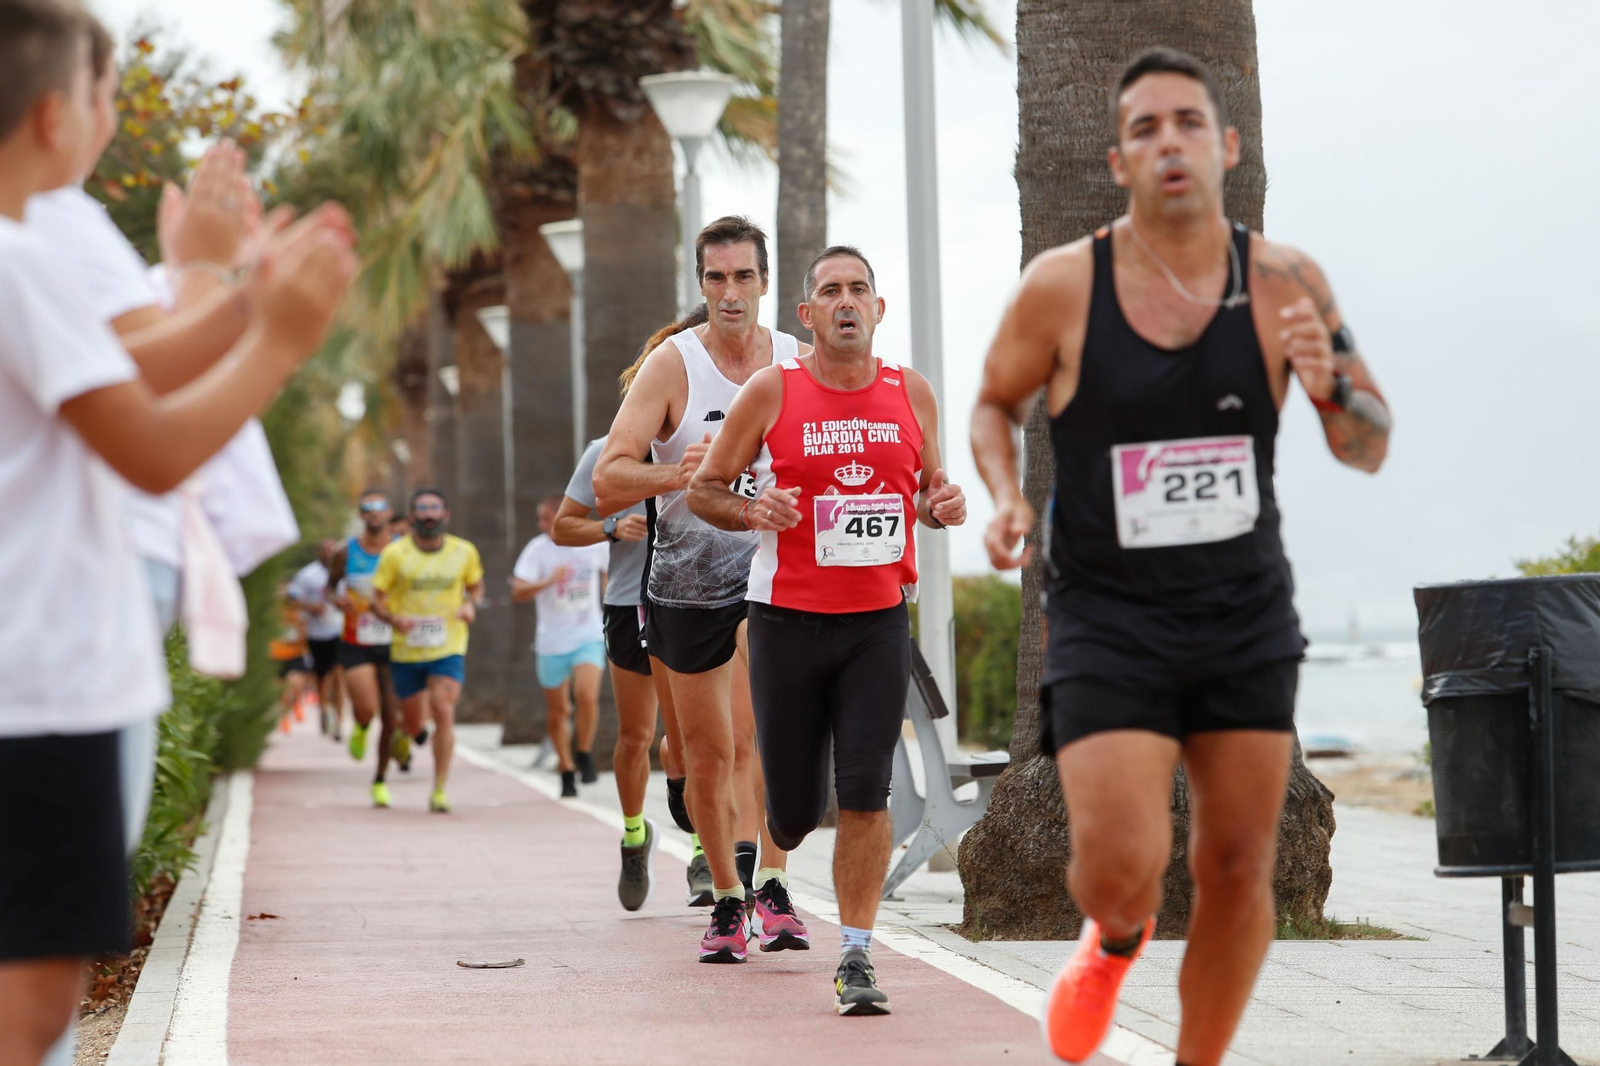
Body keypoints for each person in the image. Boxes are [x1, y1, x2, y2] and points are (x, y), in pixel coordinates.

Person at [969, 48, 1391, 1066]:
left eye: (1188, 123)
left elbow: (1368, 442)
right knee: (1121, 867)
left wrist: (1328, 382)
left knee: (1237, 864)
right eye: (1147, 128)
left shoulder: (1286, 278)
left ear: (1227, 146)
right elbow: (992, 402)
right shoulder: (1063, 287)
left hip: (1242, 608)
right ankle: (1111, 940)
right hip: (1107, 616)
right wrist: (1006, 495)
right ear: (1118, 160)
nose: (1169, 142)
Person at [0, 3, 355, 1060]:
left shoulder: (19, 256)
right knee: (33, 1003)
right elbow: (148, 443)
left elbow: (125, 369)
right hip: (38, 683)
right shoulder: (19, 260)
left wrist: (245, 296)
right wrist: (280, 339)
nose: (113, 117)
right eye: (108, 96)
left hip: (40, 676)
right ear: (60, 116)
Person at [689, 245, 966, 1013]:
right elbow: (708, 489)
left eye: (860, 290)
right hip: (784, 623)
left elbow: (928, 489)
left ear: (879, 310)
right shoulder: (770, 391)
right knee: (797, 810)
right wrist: (750, 510)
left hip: (877, 621)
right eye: (830, 292)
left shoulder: (912, 391)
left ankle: (855, 956)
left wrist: (942, 504)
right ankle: (776, 830)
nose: (846, 302)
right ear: (806, 314)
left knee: (866, 793)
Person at [594, 216, 807, 963]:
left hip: (771, 576)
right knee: (709, 754)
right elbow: (607, 476)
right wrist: (672, 474)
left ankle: (771, 883)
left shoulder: (796, 362)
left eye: (744, 276)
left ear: (765, 282)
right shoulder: (672, 367)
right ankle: (724, 897)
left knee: (761, 740)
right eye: (716, 278)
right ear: (702, 283)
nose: (730, 292)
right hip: (684, 586)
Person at [368, 489, 484, 814]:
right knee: (414, 722)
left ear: (445, 515)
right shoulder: (395, 554)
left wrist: (470, 605)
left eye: (435, 508)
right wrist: (393, 618)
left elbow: (475, 586)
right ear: (413, 515)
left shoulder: (464, 552)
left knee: (444, 710)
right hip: (407, 650)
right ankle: (407, 734)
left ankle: (439, 789)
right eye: (422, 509)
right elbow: (375, 600)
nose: (429, 515)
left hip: (448, 645)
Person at [510, 497, 609, 798]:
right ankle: (566, 770)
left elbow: (608, 577)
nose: (542, 524)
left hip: (588, 634)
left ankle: (584, 751)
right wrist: (547, 581)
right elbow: (517, 590)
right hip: (551, 642)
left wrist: (610, 609)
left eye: (547, 517)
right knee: (558, 711)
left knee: (587, 695)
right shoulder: (537, 549)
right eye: (540, 518)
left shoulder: (594, 541)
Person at [328, 490, 410, 803]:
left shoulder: (403, 550)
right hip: (356, 640)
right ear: (362, 515)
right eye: (368, 508)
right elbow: (329, 588)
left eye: (380, 507)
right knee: (366, 707)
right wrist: (337, 600)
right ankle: (361, 725)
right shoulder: (344, 552)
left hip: (395, 641)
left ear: (390, 513)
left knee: (391, 717)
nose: (374, 513)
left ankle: (379, 779)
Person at [286, 539, 346, 739]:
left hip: (341, 631)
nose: (329, 554)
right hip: (318, 633)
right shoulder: (308, 575)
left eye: (332, 551)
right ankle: (324, 710)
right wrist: (312, 607)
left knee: (339, 674)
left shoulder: (346, 572)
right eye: (325, 551)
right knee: (323, 677)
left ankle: (338, 720)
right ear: (319, 553)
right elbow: (292, 597)